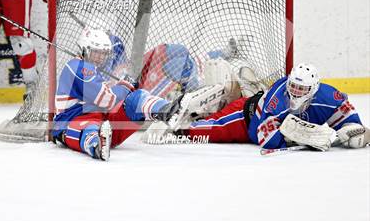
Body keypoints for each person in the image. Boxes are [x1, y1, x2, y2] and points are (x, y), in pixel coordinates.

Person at [150, 63, 370, 150]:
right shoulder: (278, 97)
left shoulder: (328, 96)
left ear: (313, 89)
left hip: (259, 111)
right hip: (245, 118)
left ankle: (245, 88)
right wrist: (304, 136)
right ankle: (174, 125)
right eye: (293, 86)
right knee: (208, 130)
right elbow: (264, 139)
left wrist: (354, 132)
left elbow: (350, 119)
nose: (295, 92)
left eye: (302, 90)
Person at [51, 28, 181, 161]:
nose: (100, 57)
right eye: (96, 52)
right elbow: (105, 99)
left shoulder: (90, 68)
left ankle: (168, 111)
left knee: (136, 98)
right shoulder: (78, 66)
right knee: (90, 128)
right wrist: (125, 86)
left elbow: (101, 96)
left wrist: (122, 86)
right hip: (71, 121)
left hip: (104, 123)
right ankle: (96, 145)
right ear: (85, 48)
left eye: (103, 53)